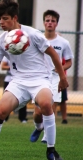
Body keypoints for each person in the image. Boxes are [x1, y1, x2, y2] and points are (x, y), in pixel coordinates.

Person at [0, 1, 68, 159]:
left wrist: (62, 78)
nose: (1, 22)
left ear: (15, 18)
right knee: (0, 111)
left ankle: (51, 151)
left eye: (5, 18)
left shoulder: (33, 34)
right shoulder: (1, 40)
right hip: (18, 82)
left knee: (45, 104)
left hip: (40, 79)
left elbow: (53, 54)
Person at [30, 10, 73, 144]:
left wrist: (60, 69)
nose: (50, 23)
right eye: (47, 20)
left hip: (55, 79)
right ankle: (39, 127)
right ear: (44, 23)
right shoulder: (37, 39)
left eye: (53, 21)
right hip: (40, 78)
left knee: (51, 108)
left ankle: (46, 137)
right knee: (38, 113)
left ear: (56, 24)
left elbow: (69, 62)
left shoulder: (63, 42)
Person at [1, 57, 28, 123]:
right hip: (9, 79)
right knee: (6, 99)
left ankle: (22, 118)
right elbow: (3, 67)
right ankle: (4, 117)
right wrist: (12, 67)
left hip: (21, 79)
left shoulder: (24, 53)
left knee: (22, 98)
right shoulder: (7, 54)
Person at [59, 58, 68, 124]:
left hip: (61, 79)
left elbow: (67, 63)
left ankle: (64, 119)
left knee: (63, 100)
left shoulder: (62, 52)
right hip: (49, 78)